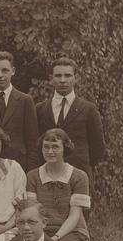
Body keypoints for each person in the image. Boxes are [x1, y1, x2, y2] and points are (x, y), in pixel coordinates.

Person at [26, 128, 91, 241]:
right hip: (41, 229)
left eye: (55, 147)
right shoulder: (33, 176)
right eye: (46, 147)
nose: (50, 151)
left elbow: (75, 216)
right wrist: (41, 236)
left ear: (65, 149)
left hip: (71, 230)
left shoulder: (79, 176)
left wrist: (54, 238)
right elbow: (33, 212)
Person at [36, 57, 106, 189]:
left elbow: (98, 148)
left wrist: (80, 164)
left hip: (78, 178)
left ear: (76, 78)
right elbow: (36, 145)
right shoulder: (40, 109)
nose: (62, 80)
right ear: (51, 79)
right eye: (58, 75)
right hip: (47, 178)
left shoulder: (88, 109)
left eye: (67, 75)